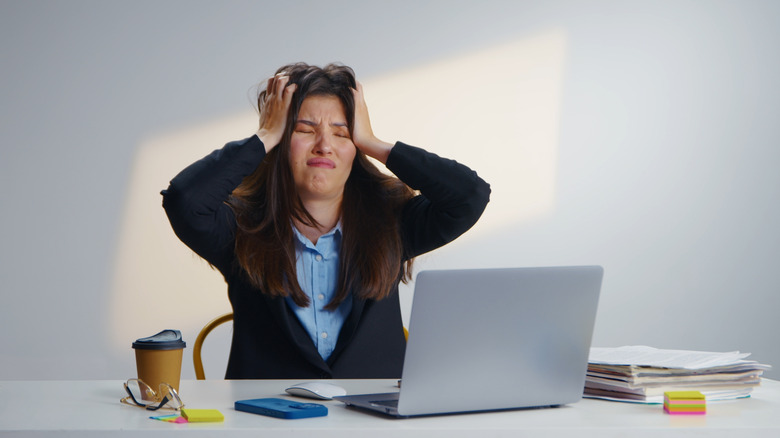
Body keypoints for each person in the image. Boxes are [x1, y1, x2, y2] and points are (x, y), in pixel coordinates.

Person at [162, 63, 490, 379]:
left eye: (342, 133)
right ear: (279, 143)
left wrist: (377, 145)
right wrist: (263, 137)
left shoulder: (392, 222)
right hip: (267, 421)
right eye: (304, 130)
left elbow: (470, 196)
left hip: (373, 424)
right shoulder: (240, 228)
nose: (324, 145)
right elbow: (184, 200)